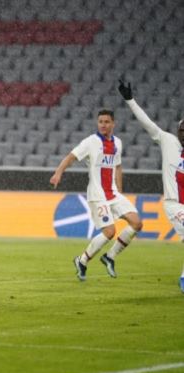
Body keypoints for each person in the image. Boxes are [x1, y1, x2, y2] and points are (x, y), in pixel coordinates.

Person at [50, 109, 143, 281]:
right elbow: (71, 157)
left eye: (107, 122)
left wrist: (119, 191)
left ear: (113, 124)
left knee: (137, 223)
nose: (103, 125)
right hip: (97, 195)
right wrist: (58, 173)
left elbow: (118, 167)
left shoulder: (118, 143)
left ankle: (110, 256)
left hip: (113, 194)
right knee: (110, 232)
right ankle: (82, 260)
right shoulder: (91, 142)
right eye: (100, 121)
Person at [118, 79, 184, 293]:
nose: (183, 133)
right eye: (182, 129)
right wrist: (130, 101)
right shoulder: (168, 141)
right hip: (175, 205)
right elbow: (148, 124)